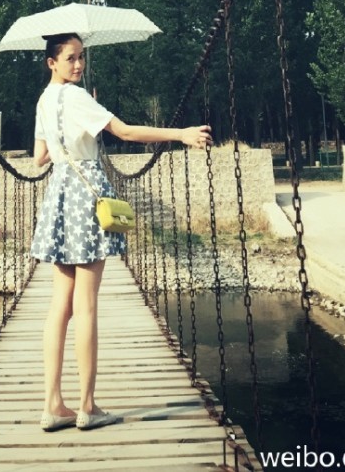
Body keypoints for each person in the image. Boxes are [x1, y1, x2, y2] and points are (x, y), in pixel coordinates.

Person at [30, 31, 212, 432]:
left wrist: (68, 141)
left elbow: (40, 157)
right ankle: (87, 407)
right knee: (86, 306)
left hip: (59, 194)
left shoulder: (44, 99)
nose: (79, 64)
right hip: (86, 196)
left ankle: (52, 405)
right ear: (52, 62)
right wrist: (180, 135)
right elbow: (125, 132)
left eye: (81, 57)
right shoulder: (77, 97)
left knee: (60, 306)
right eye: (71, 58)